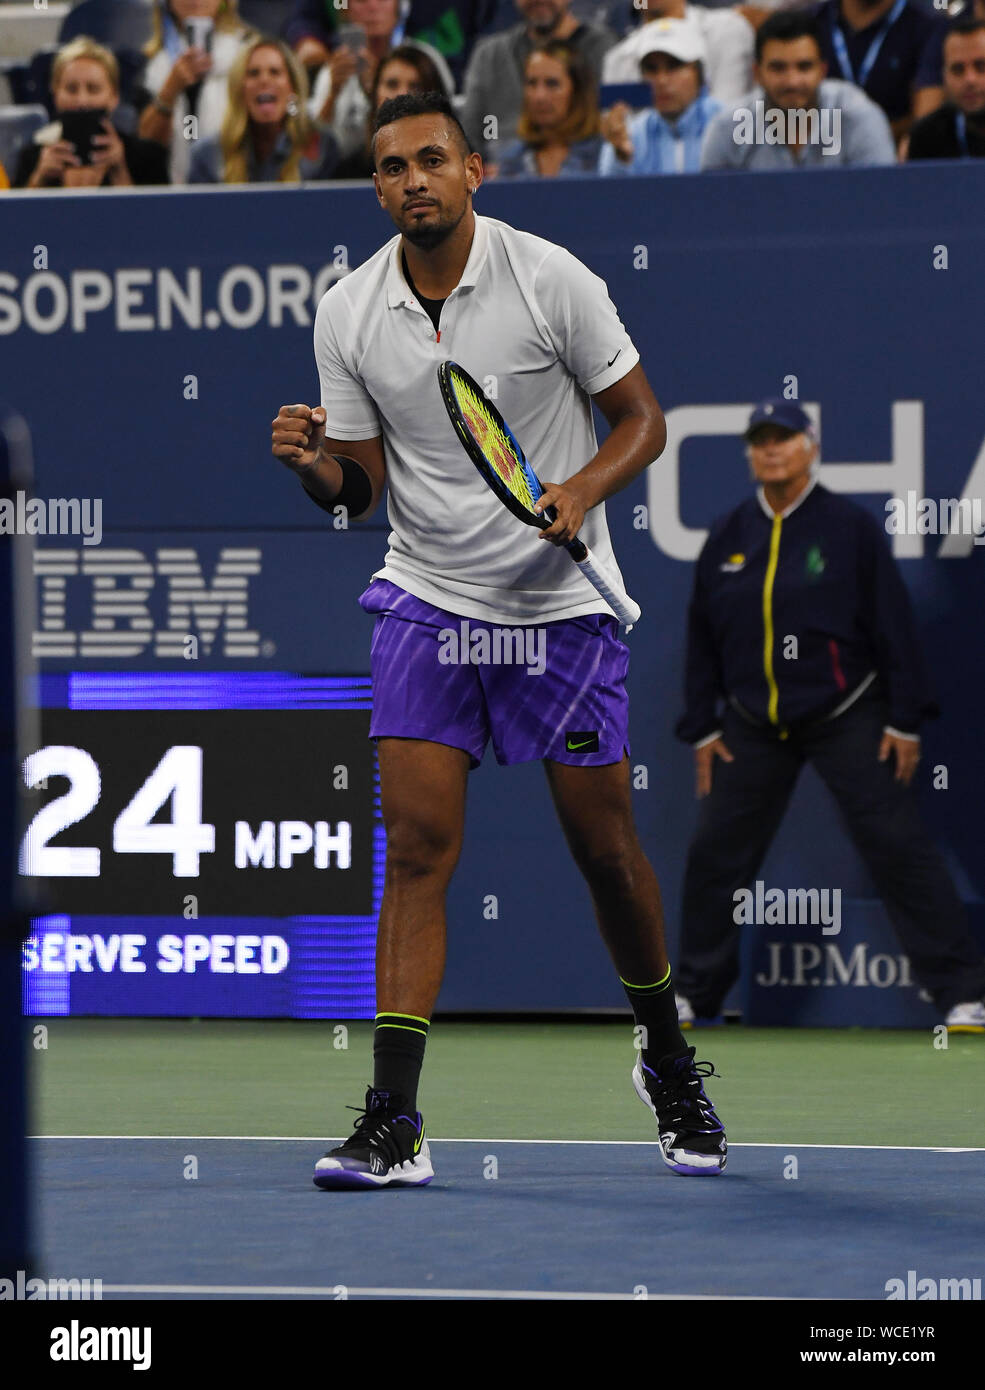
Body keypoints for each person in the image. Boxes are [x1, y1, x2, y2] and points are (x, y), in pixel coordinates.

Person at [270, 90, 728, 1187]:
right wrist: (314, 471)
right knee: (419, 848)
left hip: (560, 614)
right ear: (375, 186)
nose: (411, 181)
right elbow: (359, 493)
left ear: (475, 169)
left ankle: (665, 1056)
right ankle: (394, 1119)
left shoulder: (549, 279)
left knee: (605, 854)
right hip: (425, 600)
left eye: (431, 160)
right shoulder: (347, 311)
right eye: (390, 168)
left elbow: (644, 420)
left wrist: (576, 489)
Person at [674, 398, 985, 1034]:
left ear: (811, 447)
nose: (771, 450)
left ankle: (962, 994)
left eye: (784, 439)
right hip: (752, 721)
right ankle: (696, 995)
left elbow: (893, 625)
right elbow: (702, 637)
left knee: (899, 844)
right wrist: (702, 726)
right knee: (715, 854)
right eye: (761, 441)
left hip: (847, 712)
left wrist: (903, 719)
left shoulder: (848, 529)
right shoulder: (728, 535)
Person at [701, 9, 896, 168]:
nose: (792, 81)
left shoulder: (858, 117)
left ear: (822, 71)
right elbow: (712, 207)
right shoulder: (728, 127)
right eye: (778, 68)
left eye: (804, 67)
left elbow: (882, 203)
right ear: (757, 73)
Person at [460, 0, 615, 159]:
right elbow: (469, 136)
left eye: (552, 84)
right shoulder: (490, 55)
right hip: (500, 176)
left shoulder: (608, 53)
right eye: (532, 83)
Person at [13, 38, 170, 190]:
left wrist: (119, 172)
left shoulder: (148, 158)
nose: (82, 101)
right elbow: (13, 215)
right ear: (55, 94)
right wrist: (39, 179)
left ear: (114, 96)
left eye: (93, 89)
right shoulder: (32, 158)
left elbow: (158, 215)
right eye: (71, 89)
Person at [307, 0, 451, 159]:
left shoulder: (425, 60)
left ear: (400, 7)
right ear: (346, 11)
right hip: (351, 171)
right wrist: (333, 93)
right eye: (362, 1)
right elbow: (313, 151)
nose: (373, 7)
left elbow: (450, 126)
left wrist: (373, 89)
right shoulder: (335, 71)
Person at [139, 0, 260, 184]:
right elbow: (144, 150)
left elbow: (290, 111)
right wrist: (170, 91)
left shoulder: (253, 55)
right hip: (172, 192)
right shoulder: (150, 66)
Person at [187, 37, 339, 180]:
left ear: (292, 87)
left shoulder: (322, 147)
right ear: (239, 88)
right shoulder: (208, 157)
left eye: (275, 72)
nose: (264, 80)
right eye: (253, 73)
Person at [599, 19, 722, 173]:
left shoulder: (729, 126)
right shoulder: (631, 135)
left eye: (674, 66)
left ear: (700, 74)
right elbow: (610, 193)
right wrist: (622, 160)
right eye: (651, 69)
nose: (661, 80)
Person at [813, 0, 946, 140]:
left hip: (894, 153)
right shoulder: (813, 19)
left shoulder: (927, 23)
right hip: (820, 149)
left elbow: (925, 123)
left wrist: (867, 138)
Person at [331, 44, 452, 179]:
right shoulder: (349, 172)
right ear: (375, 93)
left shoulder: (458, 161)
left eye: (415, 86)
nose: (402, 95)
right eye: (392, 84)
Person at [602, 0, 754, 105]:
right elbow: (619, 134)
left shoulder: (727, 30)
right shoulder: (617, 59)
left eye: (674, 66)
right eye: (652, 69)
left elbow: (729, 116)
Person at [495, 40, 603, 176]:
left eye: (552, 84)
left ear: (577, 92)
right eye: (532, 83)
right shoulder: (511, 160)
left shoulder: (604, 156)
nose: (539, 96)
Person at [907, 16, 985, 158]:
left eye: (981, 67)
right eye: (958, 69)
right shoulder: (926, 136)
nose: (970, 80)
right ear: (944, 76)